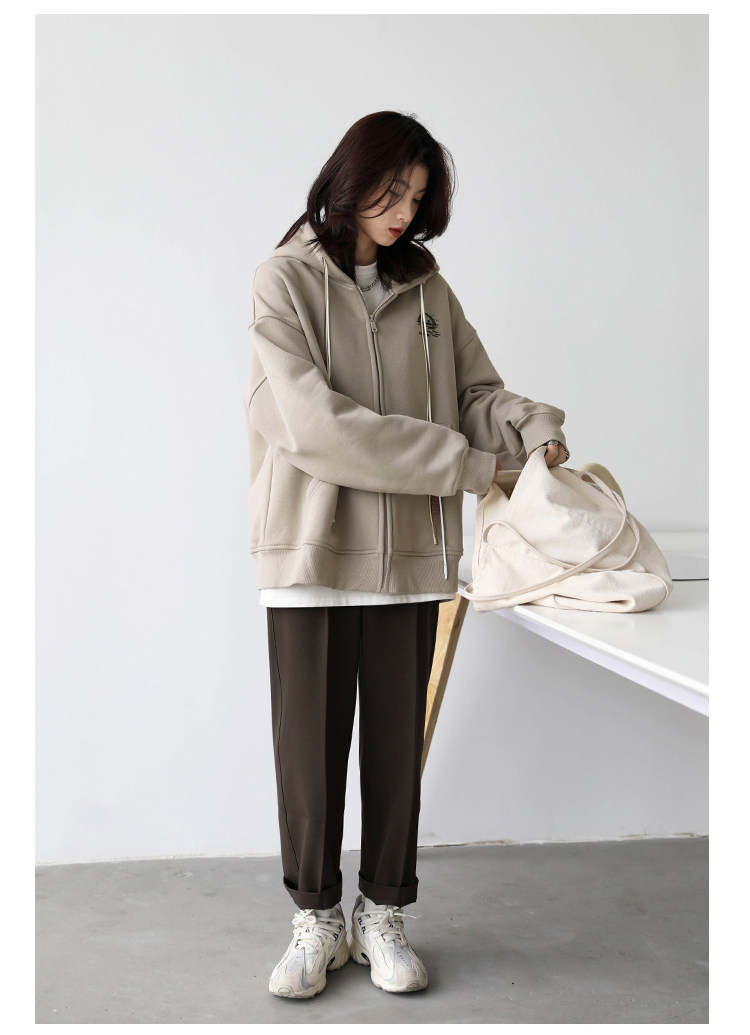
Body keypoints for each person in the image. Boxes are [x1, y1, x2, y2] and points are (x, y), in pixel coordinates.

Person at [242, 111, 569, 999]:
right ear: (349, 179)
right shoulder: (283, 282)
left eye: (417, 197)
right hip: (313, 554)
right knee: (308, 760)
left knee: (395, 755)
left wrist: (531, 426)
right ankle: (316, 917)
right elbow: (317, 427)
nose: (403, 212)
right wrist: (472, 467)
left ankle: (383, 913)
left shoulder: (428, 290)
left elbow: (475, 391)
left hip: (412, 557)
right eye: (392, 191)